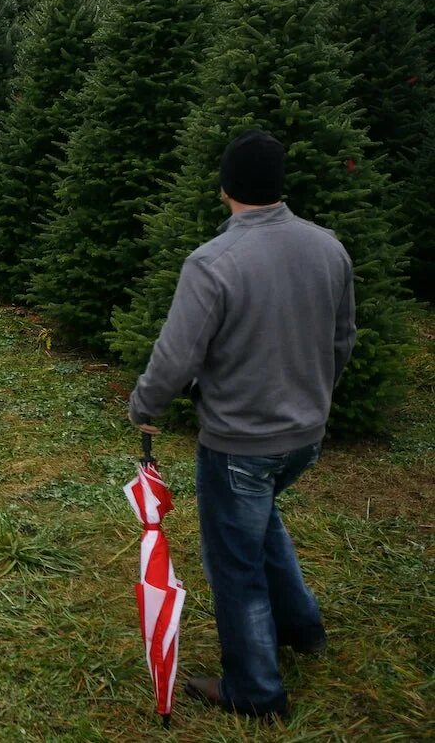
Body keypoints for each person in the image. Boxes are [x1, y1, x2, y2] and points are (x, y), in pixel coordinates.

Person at [127, 130, 355, 720]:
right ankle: (302, 627)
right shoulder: (329, 249)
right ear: (281, 187)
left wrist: (145, 405)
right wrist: (314, 397)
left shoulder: (213, 263)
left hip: (240, 443)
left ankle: (254, 689)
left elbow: (178, 355)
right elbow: (342, 339)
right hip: (304, 437)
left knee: (235, 561)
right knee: (258, 520)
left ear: (225, 186)